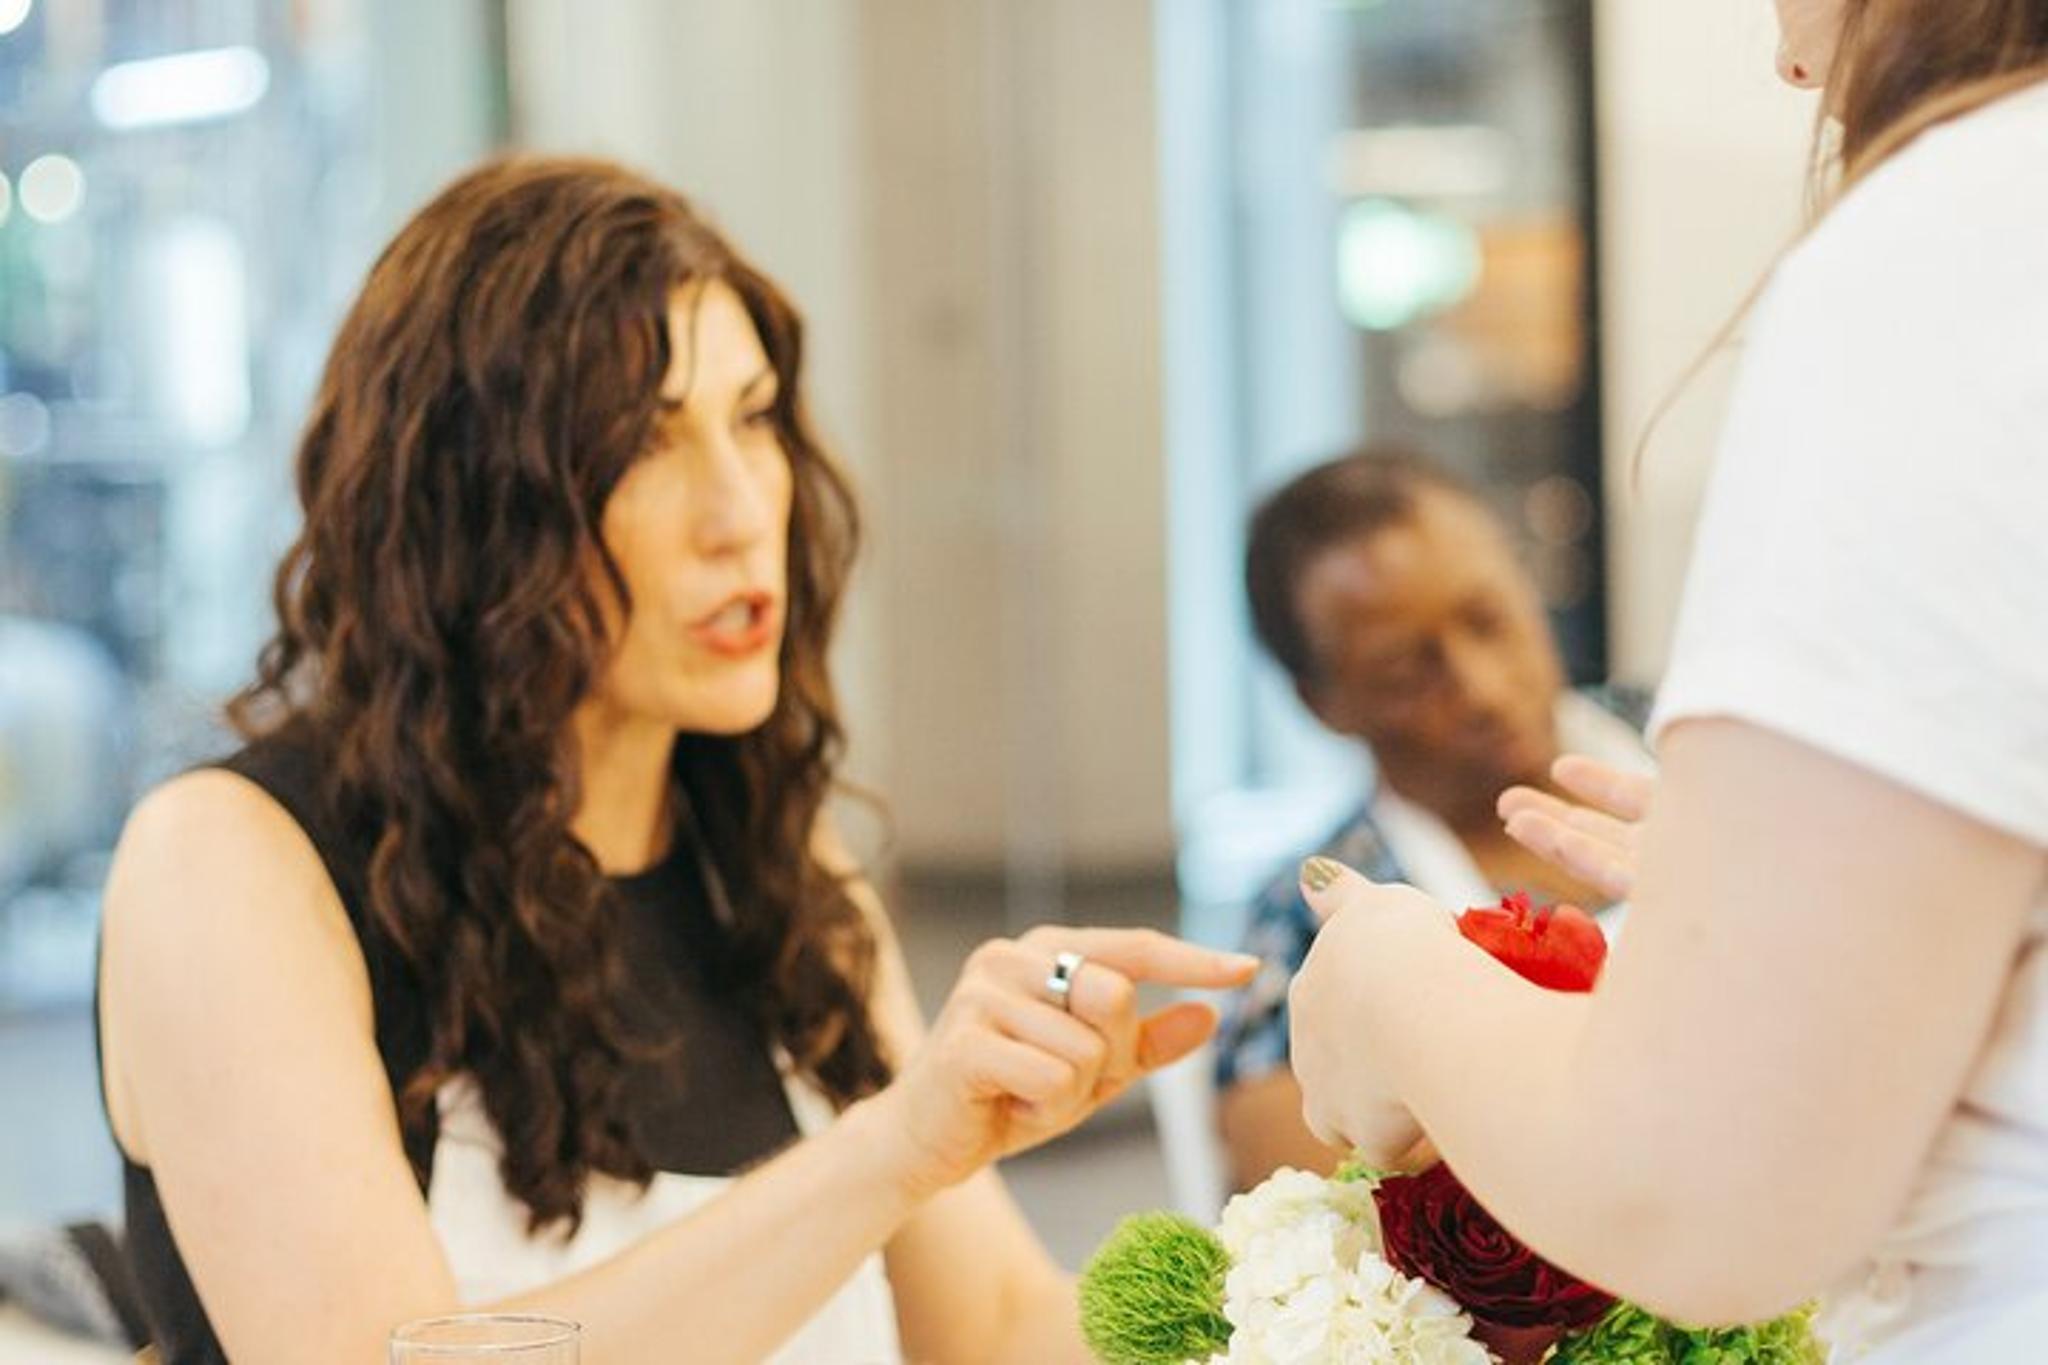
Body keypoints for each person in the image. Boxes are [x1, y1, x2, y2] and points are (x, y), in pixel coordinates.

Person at [93, 157, 1257, 1365]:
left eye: (751, 420)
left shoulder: (758, 853)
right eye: (643, 445)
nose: (742, 511)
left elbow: (995, 1325)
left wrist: (1333, 1290)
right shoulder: (230, 863)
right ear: (467, 504)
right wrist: (896, 1145)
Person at [1288, 3, 2048, 1360]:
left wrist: (1386, 970)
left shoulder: (1955, 241)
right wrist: (1817, 906)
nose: (1789, 60)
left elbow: (1708, 1193)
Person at [1211, 449, 1649, 1188]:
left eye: (1488, 619)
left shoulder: (1703, 741)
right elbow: (1315, 1217)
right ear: (1322, 703)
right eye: (1405, 672)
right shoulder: (1309, 918)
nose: (1478, 687)